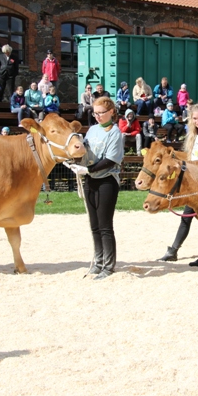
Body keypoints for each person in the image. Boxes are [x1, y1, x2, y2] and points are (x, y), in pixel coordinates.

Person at [65, 96, 124, 280]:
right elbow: (85, 151)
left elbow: (109, 160)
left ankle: (108, 265)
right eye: (95, 113)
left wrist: (87, 169)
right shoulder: (91, 130)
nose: (97, 116)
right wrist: (76, 160)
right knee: (94, 225)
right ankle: (97, 262)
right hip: (90, 180)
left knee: (105, 225)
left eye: (101, 113)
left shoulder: (115, 133)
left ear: (111, 112)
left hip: (107, 181)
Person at [159, 103, 198, 265]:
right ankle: (173, 250)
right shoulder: (197, 134)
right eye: (194, 118)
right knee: (186, 218)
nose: (197, 121)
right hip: (195, 183)